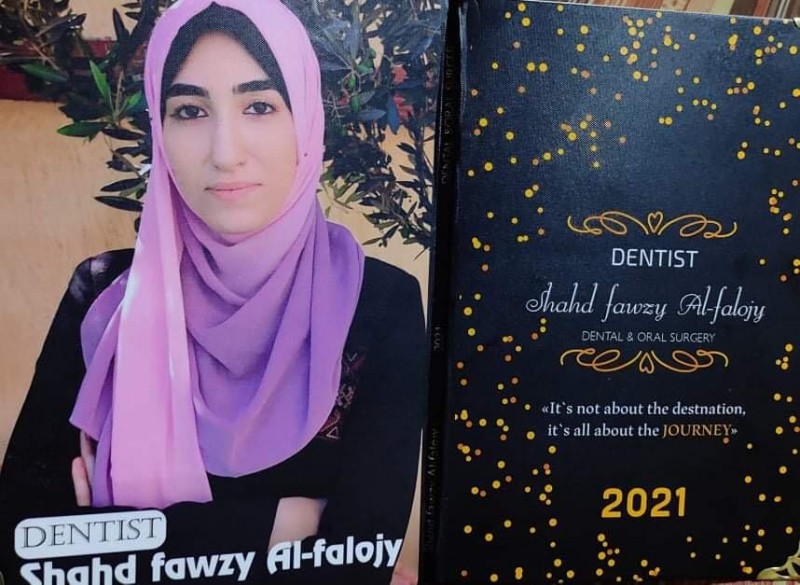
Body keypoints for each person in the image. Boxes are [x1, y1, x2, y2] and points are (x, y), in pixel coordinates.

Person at [0, 1, 426, 583]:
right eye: (190, 111)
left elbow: (360, 560)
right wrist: (284, 524)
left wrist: (112, 540)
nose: (225, 153)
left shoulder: (378, 305)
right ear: (161, 130)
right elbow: (24, 547)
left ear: (304, 122)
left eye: (259, 106)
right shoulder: (103, 297)